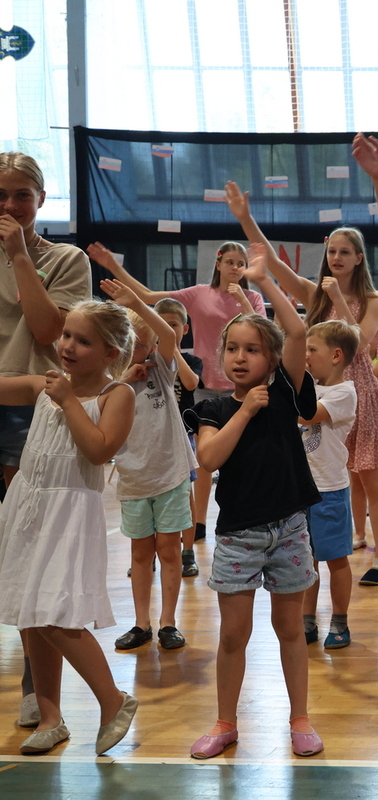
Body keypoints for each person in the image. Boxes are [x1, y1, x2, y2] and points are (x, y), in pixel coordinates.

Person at [185, 256, 323, 759]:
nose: (240, 358)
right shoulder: (214, 406)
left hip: (289, 528)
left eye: (253, 349)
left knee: (290, 631)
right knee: (233, 635)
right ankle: (226, 722)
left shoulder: (285, 388)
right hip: (238, 534)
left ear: (273, 357)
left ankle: (300, 718)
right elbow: (208, 458)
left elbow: (297, 330)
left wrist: (264, 280)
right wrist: (243, 411)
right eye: (232, 349)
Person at [224, 193, 378, 588]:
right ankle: (354, 535)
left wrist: (337, 299)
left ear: (359, 258)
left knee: (370, 477)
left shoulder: (371, 299)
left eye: (345, 252)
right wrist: (246, 218)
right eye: (332, 251)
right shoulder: (314, 293)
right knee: (340, 473)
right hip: (316, 389)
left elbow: (360, 343)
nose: (336, 257)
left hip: (358, 392)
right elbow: (273, 263)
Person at [0, 300, 139, 755]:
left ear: (111, 352)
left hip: (69, 516)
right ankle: (50, 717)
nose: (68, 346)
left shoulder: (117, 395)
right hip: (27, 508)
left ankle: (113, 699)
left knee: (55, 616)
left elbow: (99, 450)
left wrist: (66, 401)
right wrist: (57, 393)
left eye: (83, 341)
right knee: (31, 614)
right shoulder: (44, 385)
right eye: (66, 336)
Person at [89, 240, 267, 546]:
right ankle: (199, 524)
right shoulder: (199, 293)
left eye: (241, 263)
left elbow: (264, 331)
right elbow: (148, 297)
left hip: (244, 386)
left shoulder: (252, 297)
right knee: (204, 459)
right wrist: (113, 265)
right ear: (218, 264)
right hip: (207, 388)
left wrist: (243, 299)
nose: (236, 268)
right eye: (230, 262)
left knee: (248, 455)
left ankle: (251, 515)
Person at [0, 152, 92, 729]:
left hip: (30, 411)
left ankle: (38, 685)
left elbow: (47, 330)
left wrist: (18, 256)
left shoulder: (66, 259)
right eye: (0, 195)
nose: (10, 206)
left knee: (27, 550)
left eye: (21, 195)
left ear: (40, 199)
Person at [102, 280, 198, 651]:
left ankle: (168, 622)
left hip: (170, 474)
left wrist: (140, 304)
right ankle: (141, 623)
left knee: (169, 551)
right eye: (135, 343)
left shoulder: (162, 366)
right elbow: (97, 409)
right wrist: (124, 380)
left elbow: (167, 335)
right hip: (134, 479)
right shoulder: (112, 377)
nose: (142, 349)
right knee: (140, 554)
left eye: (145, 342)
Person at [297, 318, 360, 649]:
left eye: (311, 349)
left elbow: (306, 415)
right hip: (300, 490)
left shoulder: (343, 392)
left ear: (336, 356)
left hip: (329, 490)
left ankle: (340, 621)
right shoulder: (308, 386)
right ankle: (307, 619)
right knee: (306, 559)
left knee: (335, 560)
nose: (305, 356)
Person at [153, 298, 204, 577]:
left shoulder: (192, 360)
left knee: (185, 493)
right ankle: (147, 551)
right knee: (149, 493)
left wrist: (172, 347)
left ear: (185, 329)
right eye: (160, 324)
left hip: (182, 436)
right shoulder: (148, 358)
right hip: (151, 435)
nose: (166, 329)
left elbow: (191, 382)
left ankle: (188, 552)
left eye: (172, 325)